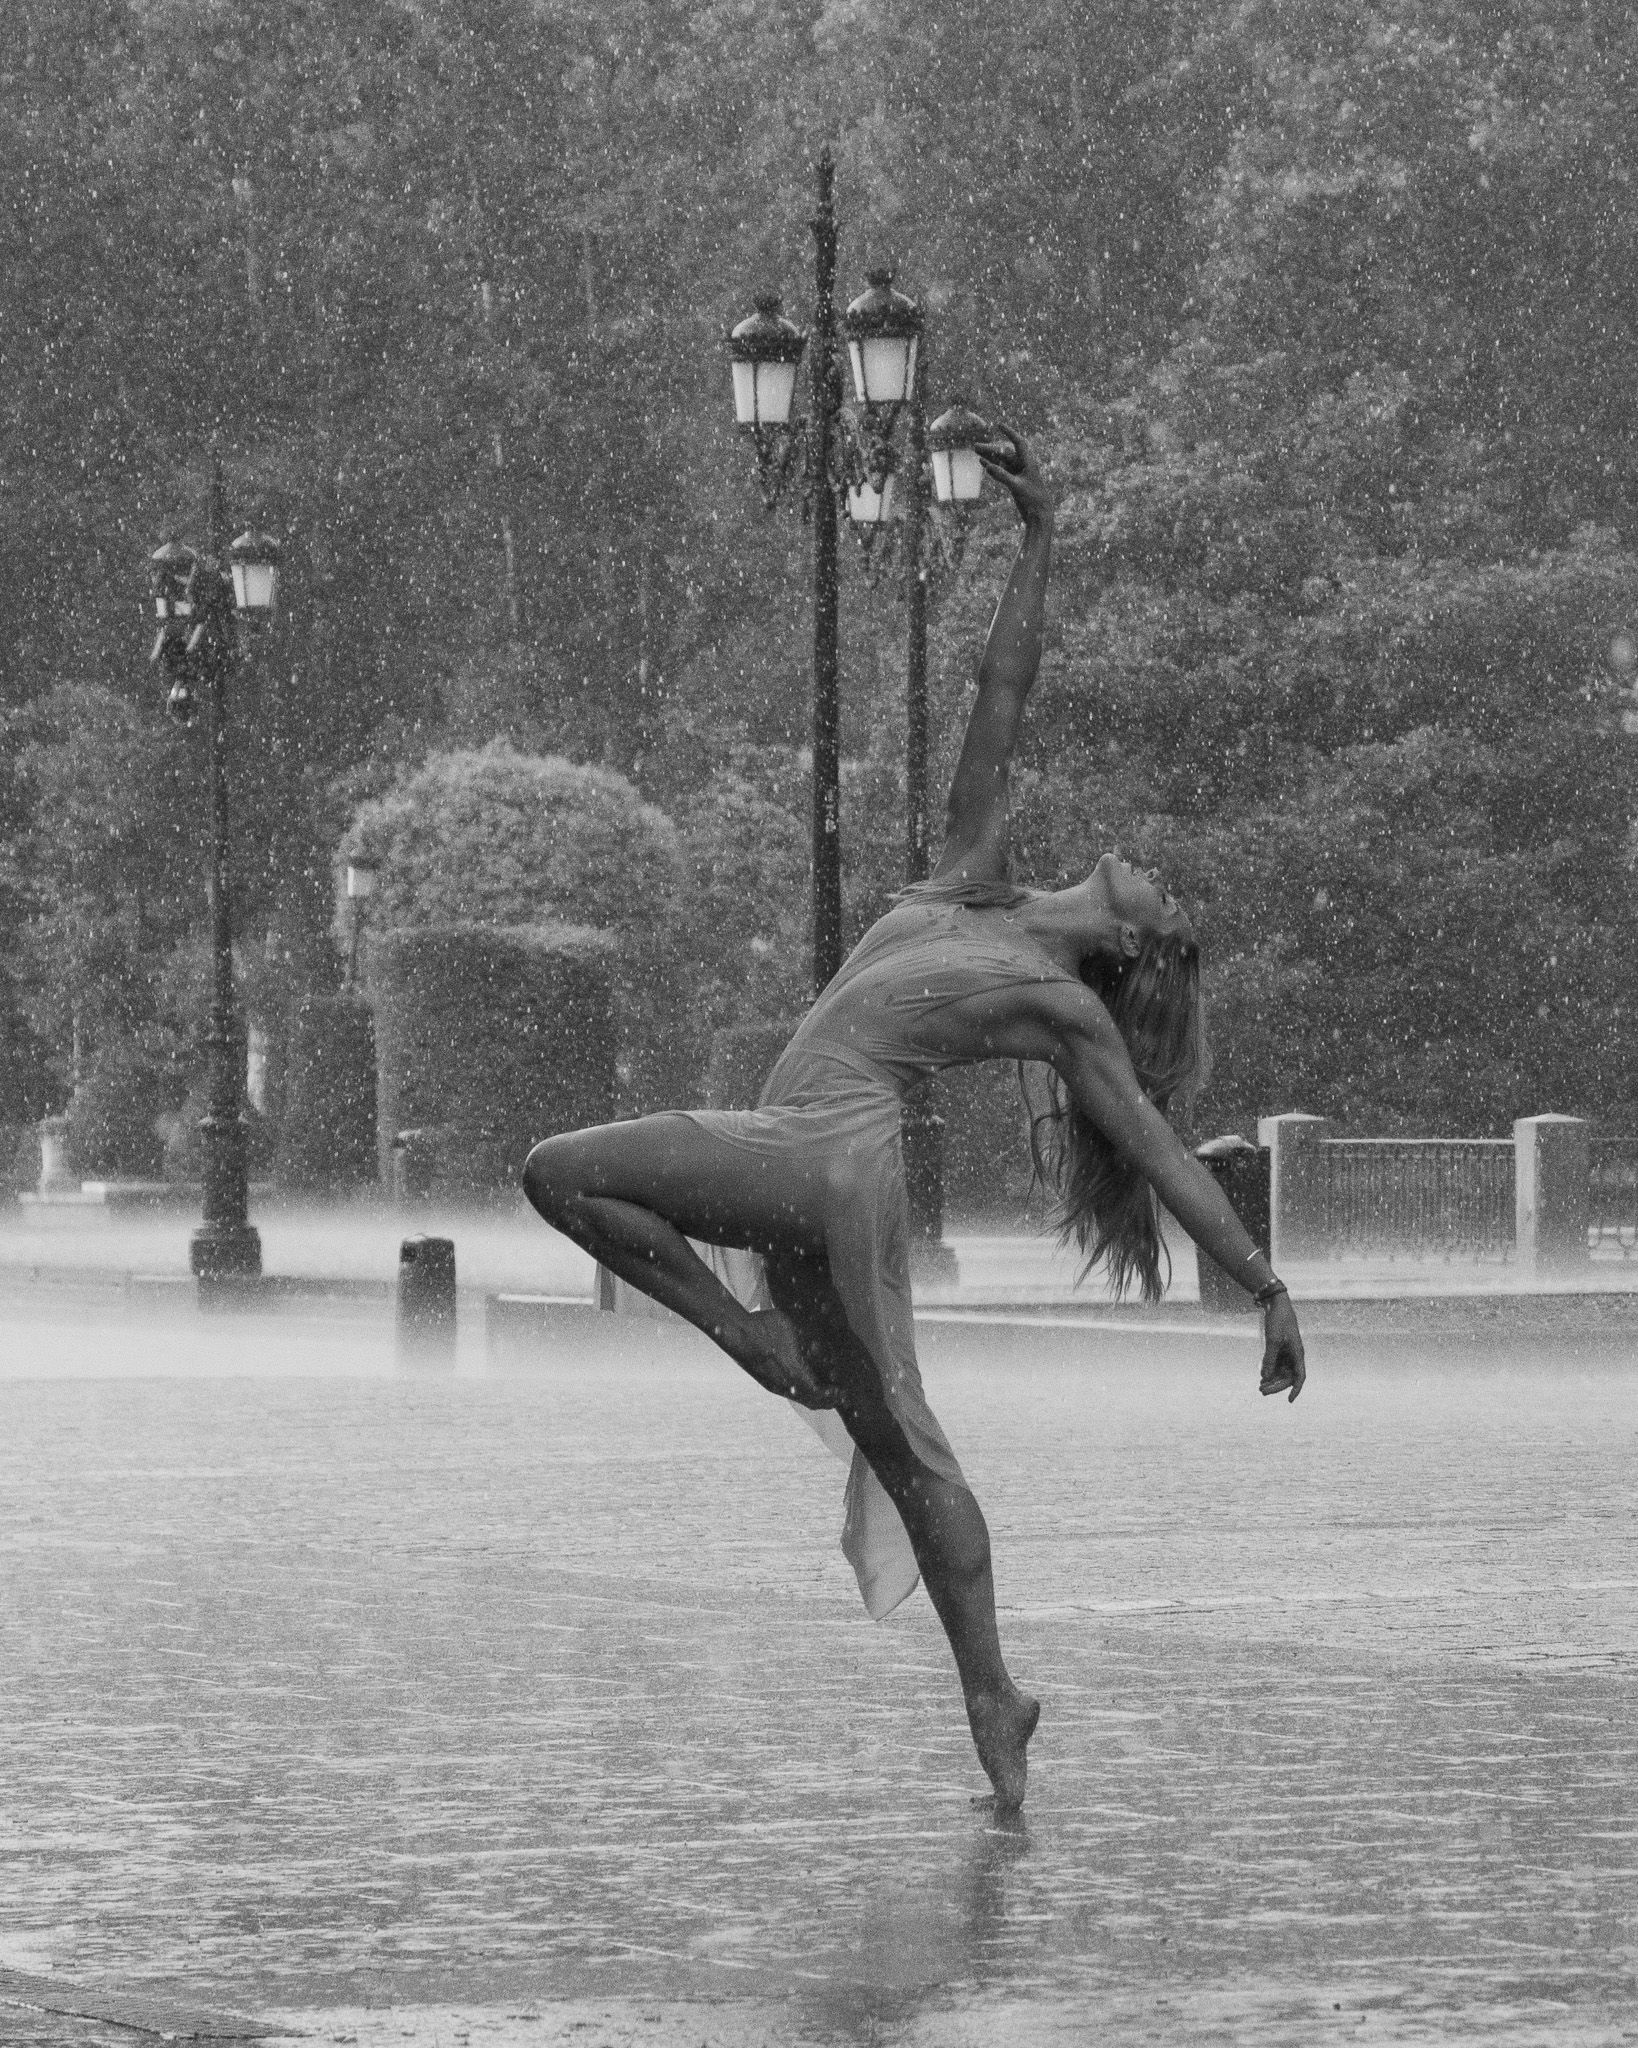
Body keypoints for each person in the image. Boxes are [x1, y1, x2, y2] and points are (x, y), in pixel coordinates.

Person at [523, 428, 1307, 1810]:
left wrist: (1259, 1283)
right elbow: (1000, 690)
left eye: (1165, 900)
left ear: (1133, 952)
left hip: (827, 1156)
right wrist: (1040, 538)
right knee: (902, 1443)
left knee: (562, 1172)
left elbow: (1156, 1150)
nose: (1154, 871)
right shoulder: (968, 880)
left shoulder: (1059, 1006)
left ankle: (753, 1341)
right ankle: (992, 1700)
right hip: (817, 1166)